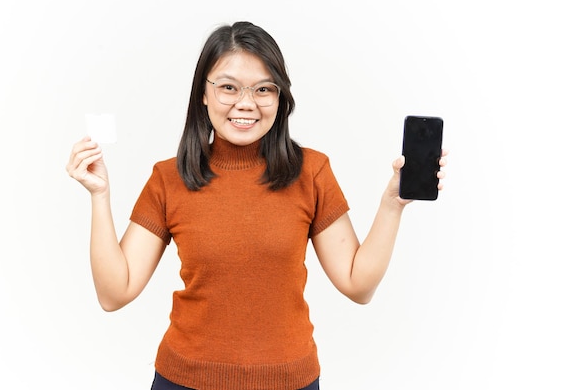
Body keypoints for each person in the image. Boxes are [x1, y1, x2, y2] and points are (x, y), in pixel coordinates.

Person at [66, 21, 447, 390]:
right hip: (184, 381)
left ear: (280, 98)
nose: (246, 104)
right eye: (228, 87)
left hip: (291, 382)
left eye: (264, 90)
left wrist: (392, 204)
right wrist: (100, 197)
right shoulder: (169, 179)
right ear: (203, 92)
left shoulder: (311, 172)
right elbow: (114, 294)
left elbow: (358, 284)